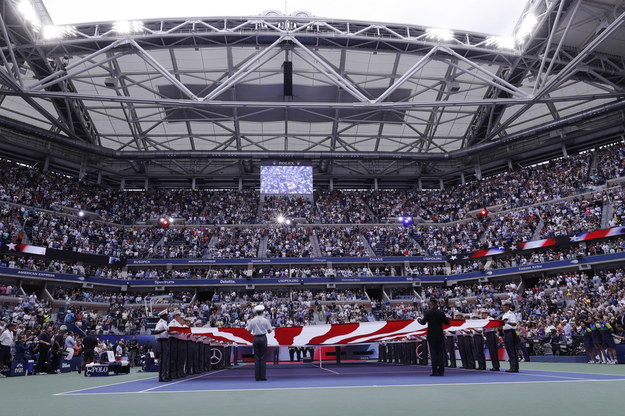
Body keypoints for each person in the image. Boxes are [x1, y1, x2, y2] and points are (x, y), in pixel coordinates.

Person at [417, 298, 450, 376]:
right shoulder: (441, 313)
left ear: (430, 304)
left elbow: (423, 322)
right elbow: (447, 323)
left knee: (433, 354)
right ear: (436, 304)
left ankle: (434, 371)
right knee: (440, 353)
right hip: (440, 335)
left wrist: (419, 319)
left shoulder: (428, 312)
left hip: (431, 336)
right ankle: (441, 371)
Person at [246, 304, 273, 381]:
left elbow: (248, 330)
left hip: (256, 338)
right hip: (263, 338)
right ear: (263, 312)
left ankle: (257, 377)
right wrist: (272, 329)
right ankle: (263, 376)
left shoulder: (252, 320)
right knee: (263, 357)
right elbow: (269, 331)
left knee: (257, 358)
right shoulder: (266, 320)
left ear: (256, 312)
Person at [501, 300, 520, 373]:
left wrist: (507, 322)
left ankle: (514, 367)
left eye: (504, 306)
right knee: (509, 350)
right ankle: (513, 366)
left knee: (511, 350)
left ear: (507, 306)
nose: (503, 307)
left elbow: (514, 324)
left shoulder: (510, 314)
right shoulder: (504, 314)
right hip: (505, 332)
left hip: (510, 332)